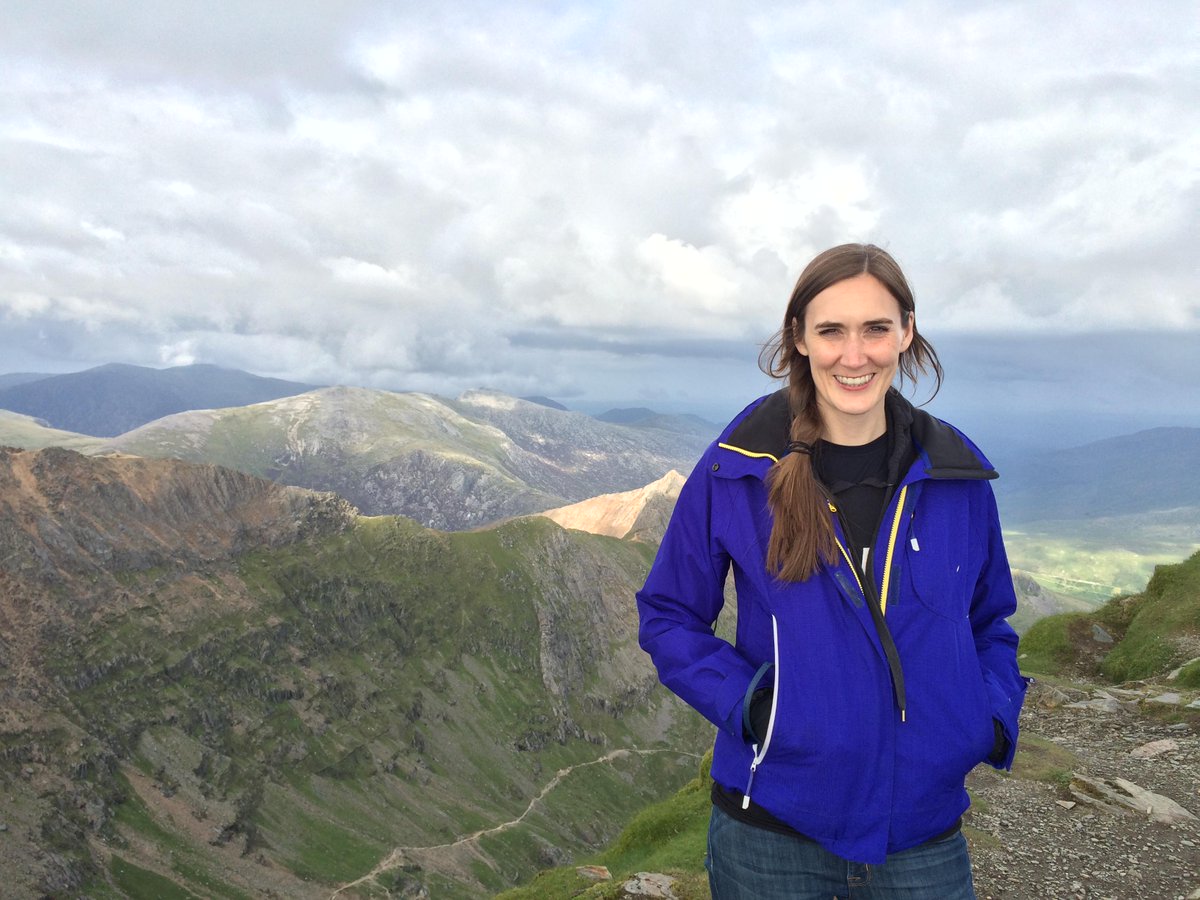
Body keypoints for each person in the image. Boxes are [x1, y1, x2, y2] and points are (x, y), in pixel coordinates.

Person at [636, 243, 1028, 899]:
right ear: (799, 337)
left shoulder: (954, 475)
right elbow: (669, 615)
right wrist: (758, 708)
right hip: (771, 834)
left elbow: (989, 621)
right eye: (831, 331)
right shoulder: (740, 467)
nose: (854, 355)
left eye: (875, 328)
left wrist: (983, 717)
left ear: (906, 332)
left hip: (923, 833)